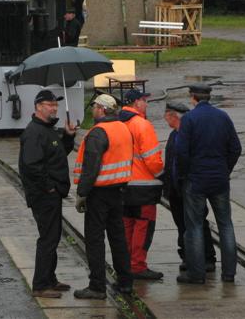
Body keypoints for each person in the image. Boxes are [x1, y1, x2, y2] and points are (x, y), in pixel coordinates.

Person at [176, 84, 242, 284]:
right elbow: (236, 148)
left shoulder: (189, 119)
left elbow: (182, 152)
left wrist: (186, 174)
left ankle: (197, 275)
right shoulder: (223, 117)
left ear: (192, 97)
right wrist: (225, 169)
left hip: (196, 179)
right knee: (226, 225)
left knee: (194, 226)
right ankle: (229, 274)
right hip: (220, 179)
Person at [73, 94, 134, 299]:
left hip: (99, 194)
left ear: (101, 109)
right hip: (119, 191)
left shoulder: (98, 133)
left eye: (94, 106)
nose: (92, 110)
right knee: (118, 238)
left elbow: (91, 168)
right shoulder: (123, 128)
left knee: (95, 240)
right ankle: (126, 282)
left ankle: (97, 286)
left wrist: (82, 194)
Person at [18, 90, 77, 298]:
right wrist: (49, 186)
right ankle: (41, 285)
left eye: (55, 105)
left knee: (53, 236)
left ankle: (50, 279)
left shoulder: (47, 129)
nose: (54, 108)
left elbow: (58, 155)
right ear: (38, 107)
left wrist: (69, 137)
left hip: (51, 193)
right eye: (50, 104)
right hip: (44, 195)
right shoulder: (35, 132)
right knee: (48, 238)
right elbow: (31, 166)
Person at [162, 102, 216, 272]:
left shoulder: (190, 135)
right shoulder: (173, 135)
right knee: (181, 224)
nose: (165, 118)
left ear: (173, 116)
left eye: (167, 115)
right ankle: (187, 255)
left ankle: (207, 258)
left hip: (190, 187)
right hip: (175, 189)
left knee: (198, 222)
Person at [119, 89, 165, 280]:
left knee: (127, 226)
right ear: (136, 102)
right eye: (144, 101)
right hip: (143, 187)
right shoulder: (142, 125)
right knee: (143, 227)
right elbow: (152, 158)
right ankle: (137, 265)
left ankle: (126, 263)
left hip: (122, 184)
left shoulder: (118, 123)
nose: (146, 104)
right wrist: (163, 176)